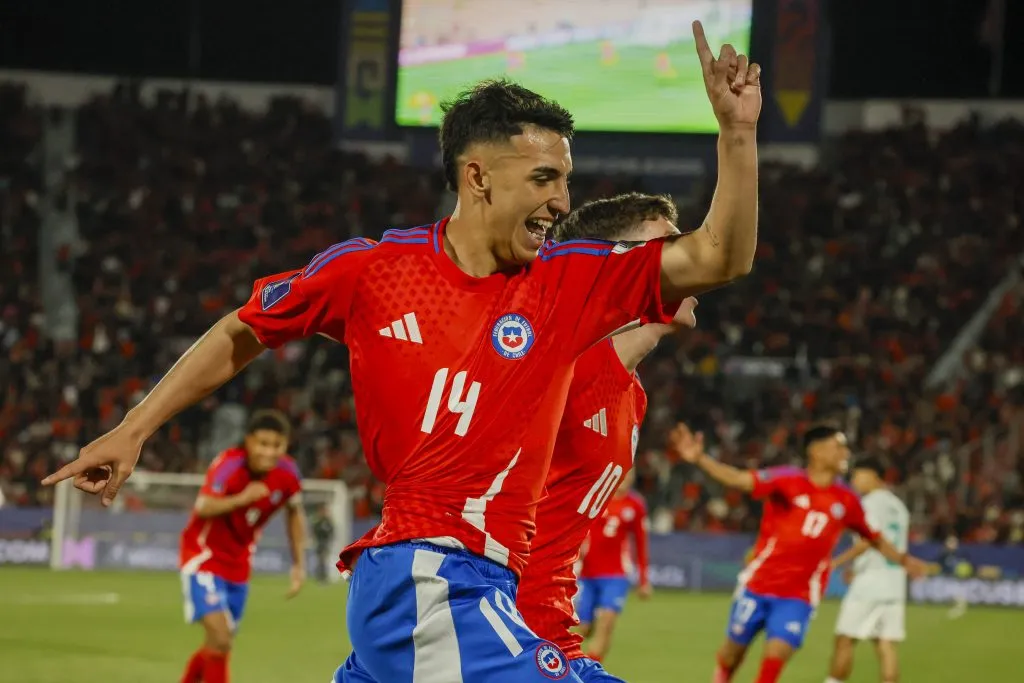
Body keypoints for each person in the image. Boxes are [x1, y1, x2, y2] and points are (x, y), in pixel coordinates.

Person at [44, 21, 761, 683]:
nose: (559, 200)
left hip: (480, 591)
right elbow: (245, 327)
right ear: (477, 176)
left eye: (564, 180)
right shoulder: (373, 270)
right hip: (426, 573)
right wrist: (134, 427)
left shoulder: (569, 283)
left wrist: (736, 136)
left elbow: (719, 255)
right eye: (543, 179)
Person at [516, 193, 695, 683]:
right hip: (503, 617)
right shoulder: (556, 364)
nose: (688, 260)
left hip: (550, 616)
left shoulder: (633, 395)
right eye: (667, 247)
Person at [667, 424, 930, 683]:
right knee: (730, 655)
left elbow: (873, 538)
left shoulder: (847, 500)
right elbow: (739, 479)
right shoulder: (787, 481)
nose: (845, 453)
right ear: (816, 452)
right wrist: (700, 458)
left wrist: (905, 561)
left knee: (777, 652)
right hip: (758, 585)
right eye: (838, 447)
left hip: (799, 595)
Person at [178, 410, 306, 683]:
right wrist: (243, 498)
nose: (269, 452)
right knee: (221, 637)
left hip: (239, 564)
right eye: (262, 443)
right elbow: (204, 506)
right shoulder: (229, 465)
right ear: (248, 441)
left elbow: (295, 513)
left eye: (276, 445)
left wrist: (298, 564)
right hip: (204, 556)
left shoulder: (288, 473)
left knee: (218, 644)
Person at [825, 457, 910, 683]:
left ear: (873, 475)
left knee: (844, 639)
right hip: (894, 582)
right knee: (885, 645)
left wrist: (837, 562)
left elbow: (868, 540)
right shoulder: (899, 506)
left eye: (857, 475)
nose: (853, 481)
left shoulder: (870, 503)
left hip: (870, 584)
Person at [575, 469, 651, 665]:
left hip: (616, 574)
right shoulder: (596, 496)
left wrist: (643, 580)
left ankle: (590, 671)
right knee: (584, 628)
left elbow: (641, 543)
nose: (627, 478)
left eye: (631, 475)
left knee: (607, 622)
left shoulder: (635, 505)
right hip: (588, 573)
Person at [312, 503, 336, 584]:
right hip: (319, 543)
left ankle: (325, 577)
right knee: (320, 561)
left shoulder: (328, 521)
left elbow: (332, 531)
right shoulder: (317, 522)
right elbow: (314, 531)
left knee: (325, 561)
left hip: (326, 543)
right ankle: (320, 577)